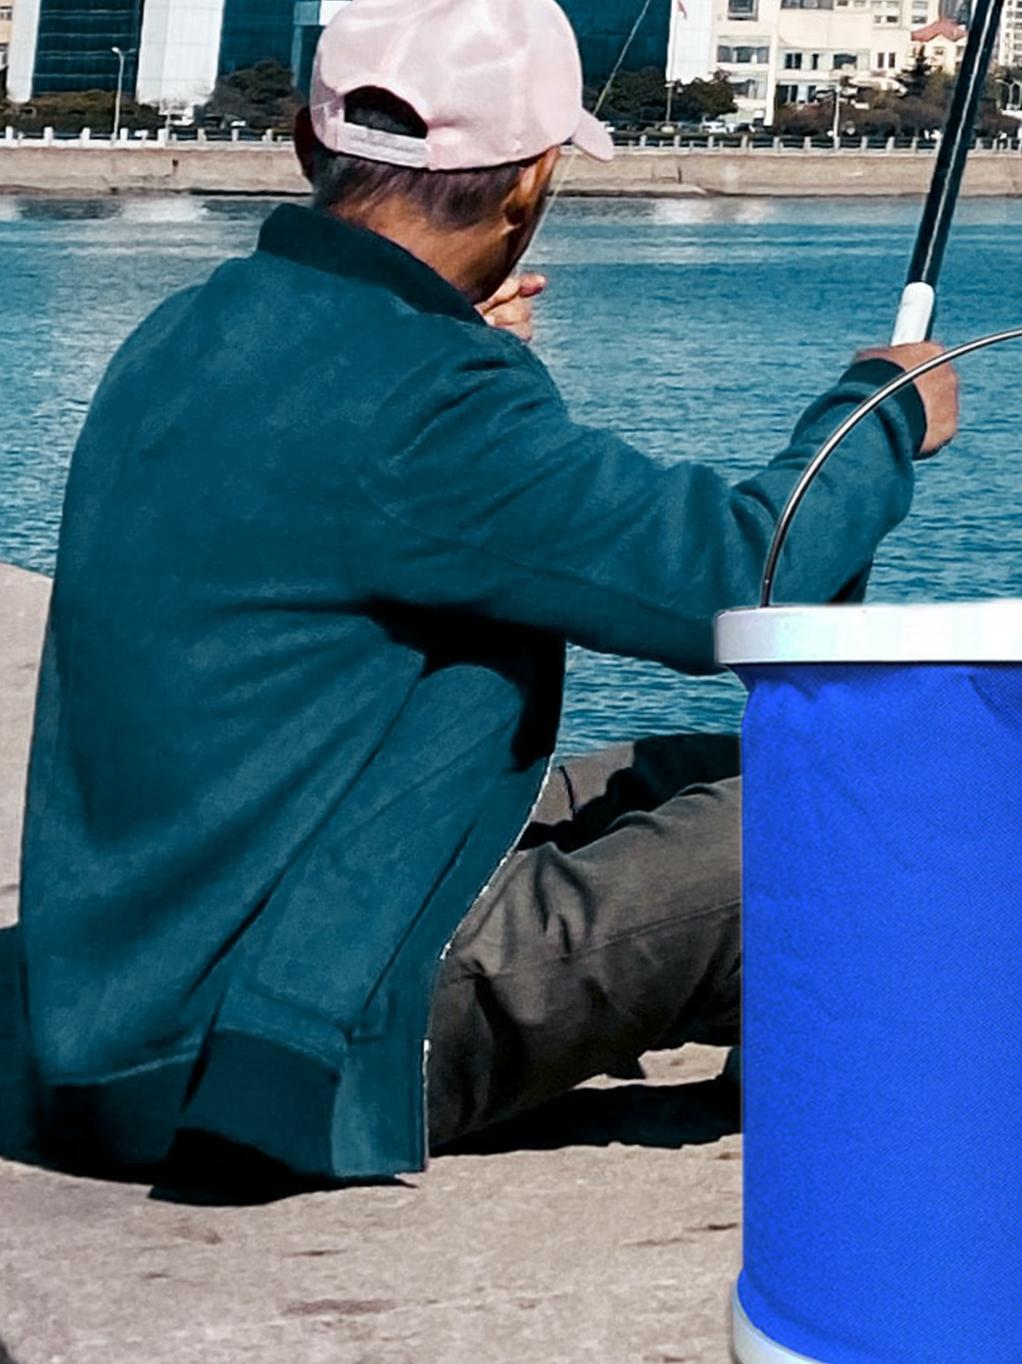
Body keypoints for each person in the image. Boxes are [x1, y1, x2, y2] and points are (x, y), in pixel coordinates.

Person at [17, 0, 959, 1183]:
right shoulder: (424, 395)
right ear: (529, 184)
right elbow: (735, 578)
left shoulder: (189, 328)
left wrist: (454, 347)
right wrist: (879, 417)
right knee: (874, 807)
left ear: (308, 147)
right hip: (250, 1035)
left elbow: (370, 487)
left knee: (750, 768)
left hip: (138, 986)